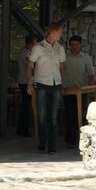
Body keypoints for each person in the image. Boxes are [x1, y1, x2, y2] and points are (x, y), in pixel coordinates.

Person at [27, 24, 65, 154]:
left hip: (56, 85)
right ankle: (42, 143)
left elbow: (61, 67)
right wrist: (29, 83)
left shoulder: (60, 48)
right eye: (60, 32)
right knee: (42, 116)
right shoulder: (38, 47)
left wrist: (63, 84)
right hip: (42, 85)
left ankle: (52, 146)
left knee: (54, 117)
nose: (61, 34)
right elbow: (30, 65)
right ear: (53, 32)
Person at [62, 35, 95, 148]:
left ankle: (78, 139)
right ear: (69, 45)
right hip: (67, 91)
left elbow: (91, 75)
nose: (74, 47)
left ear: (80, 45)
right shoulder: (64, 57)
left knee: (79, 115)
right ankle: (70, 139)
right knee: (69, 114)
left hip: (82, 92)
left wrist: (89, 89)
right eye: (72, 45)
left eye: (76, 45)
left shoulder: (86, 58)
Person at [16, 34, 37, 137]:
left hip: (26, 82)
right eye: (34, 44)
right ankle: (23, 130)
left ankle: (21, 128)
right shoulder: (25, 54)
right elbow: (30, 68)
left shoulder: (27, 52)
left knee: (26, 106)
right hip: (25, 82)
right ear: (30, 44)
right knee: (26, 106)